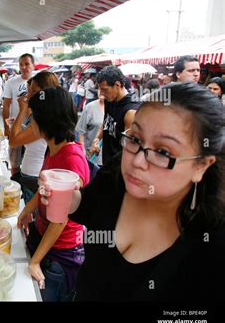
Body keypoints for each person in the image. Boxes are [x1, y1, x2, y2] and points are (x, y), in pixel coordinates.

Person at [39, 82, 225, 301]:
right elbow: (87, 206)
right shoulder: (117, 173)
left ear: (201, 165)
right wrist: (64, 195)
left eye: (163, 151)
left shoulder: (212, 247)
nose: (137, 160)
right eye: (135, 139)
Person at [17, 87, 89, 301]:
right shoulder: (53, 147)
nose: (31, 123)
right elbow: (44, 189)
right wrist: (27, 209)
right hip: (44, 239)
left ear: (46, 120)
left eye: (34, 117)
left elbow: (59, 220)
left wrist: (35, 261)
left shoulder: (71, 159)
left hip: (60, 253)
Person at [9, 71, 59, 204]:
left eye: (33, 91)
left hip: (35, 177)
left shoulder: (45, 119)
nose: (28, 95)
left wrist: (22, 109)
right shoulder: (44, 115)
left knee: (35, 218)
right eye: (28, 90)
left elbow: (14, 140)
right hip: (32, 175)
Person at [90, 66, 140, 165]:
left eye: (105, 89)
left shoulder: (131, 111)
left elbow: (129, 150)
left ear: (117, 85)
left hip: (118, 169)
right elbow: (106, 123)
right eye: (101, 90)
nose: (102, 94)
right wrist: (97, 139)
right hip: (107, 163)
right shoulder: (110, 100)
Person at [3, 53, 35, 176]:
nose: (23, 67)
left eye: (27, 64)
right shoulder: (11, 82)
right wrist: (6, 128)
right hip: (15, 127)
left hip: (33, 129)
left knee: (31, 163)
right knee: (14, 163)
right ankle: (15, 186)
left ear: (33, 65)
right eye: (21, 64)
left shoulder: (38, 82)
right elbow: (6, 105)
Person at [76, 94, 105, 165]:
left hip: (107, 158)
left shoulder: (115, 108)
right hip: (91, 156)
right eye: (99, 88)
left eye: (105, 89)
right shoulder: (90, 107)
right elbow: (81, 131)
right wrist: (83, 152)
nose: (101, 92)